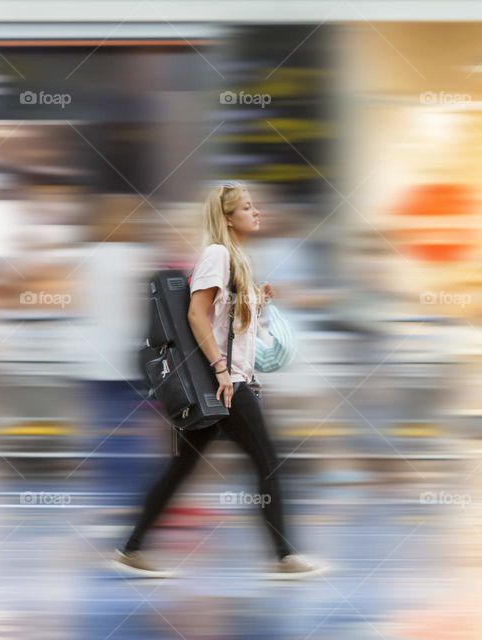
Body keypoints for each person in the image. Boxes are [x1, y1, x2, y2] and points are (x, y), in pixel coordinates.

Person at [113, 182, 326, 578]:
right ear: (228, 217)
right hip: (225, 383)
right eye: (247, 207)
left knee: (181, 468)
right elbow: (197, 315)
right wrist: (221, 370)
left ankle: (132, 548)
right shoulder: (216, 255)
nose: (256, 211)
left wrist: (254, 300)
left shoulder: (235, 257)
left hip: (230, 379)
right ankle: (284, 556)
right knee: (268, 461)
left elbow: (223, 320)